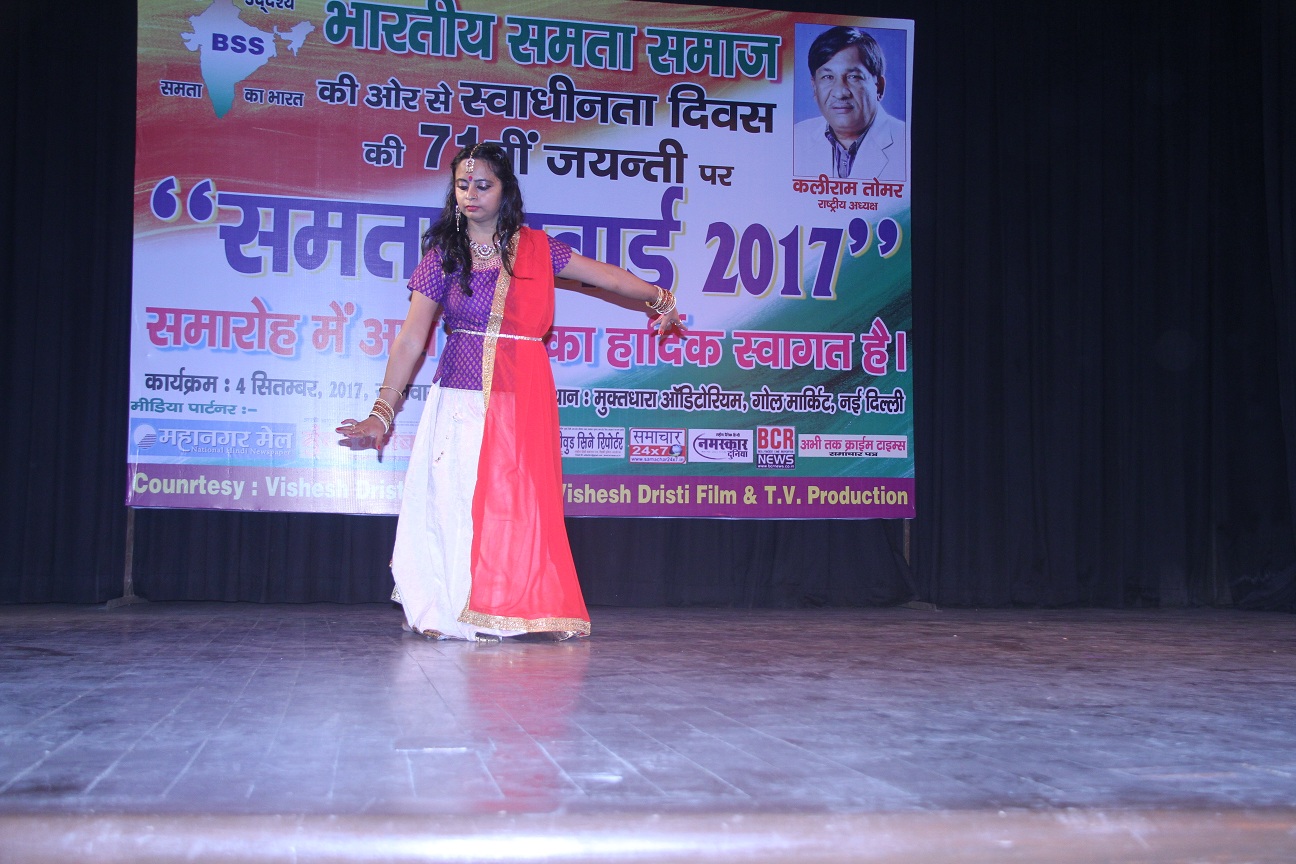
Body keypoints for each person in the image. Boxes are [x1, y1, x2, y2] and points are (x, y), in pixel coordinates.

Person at [337, 143, 684, 642]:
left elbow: (602, 274)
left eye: (483, 185)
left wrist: (659, 297)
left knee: (512, 504)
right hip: (460, 397)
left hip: (520, 398)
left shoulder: (538, 250)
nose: (471, 194)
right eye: (463, 185)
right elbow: (411, 338)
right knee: (454, 501)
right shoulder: (443, 256)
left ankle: (504, 606)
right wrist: (382, 412)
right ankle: (446, 610)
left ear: (505, 191)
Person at [792, 26, 907, 181]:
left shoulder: (907, 143)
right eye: (828, 77)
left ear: (879, 87)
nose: (840, 93)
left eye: (853, 77)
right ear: (814, 87)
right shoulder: (795, 138)